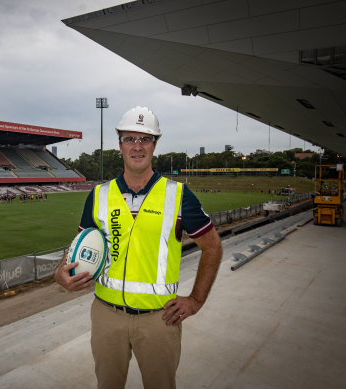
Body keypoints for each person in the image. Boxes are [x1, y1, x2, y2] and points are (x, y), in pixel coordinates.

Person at [54, 106, 223, 389]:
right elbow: (78, 246)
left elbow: (213, 247)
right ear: (119, 144)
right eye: (130, 139)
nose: (137, 146)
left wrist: (195, 300)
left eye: (145, 139)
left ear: (155, 144)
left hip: (159, 320)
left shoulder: (178, 195)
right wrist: (61, 272)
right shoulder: (99, 195)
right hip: (107, 315)